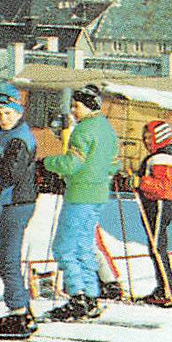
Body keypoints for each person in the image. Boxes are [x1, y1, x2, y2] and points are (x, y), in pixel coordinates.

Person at [40, 83, 119, 321]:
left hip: (79, 194)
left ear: (89, 105)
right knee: (84, 246)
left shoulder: (83, 130)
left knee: (64, 247)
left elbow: (72, 164)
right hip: (98, 195)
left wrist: (47, 163)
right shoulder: (107, 129)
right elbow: (115, 164)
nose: (73, 110)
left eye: (77, 105)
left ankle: (77, 296)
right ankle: (91, 295)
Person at [0, 85, 38, 339]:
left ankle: (19, 312)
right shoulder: (8, 134)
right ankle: (22, 309)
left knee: (7, 258)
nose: (3, 118)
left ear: (18, 113)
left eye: (8, 113)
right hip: (12, 202)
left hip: (17, 203)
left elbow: (9, 174)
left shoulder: (19, 139)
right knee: (5, 258)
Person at [135, 120, 172, 305]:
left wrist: (140, 182)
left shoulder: (165, 157)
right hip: (152, 204)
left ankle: (168, 290)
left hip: (159, 204)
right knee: (155, 248)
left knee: (157, 248)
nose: (146, 141)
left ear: (159, 137)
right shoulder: (157, 155)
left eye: (150, 137)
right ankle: (163, 288)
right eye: (144, 138)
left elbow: (162, 186)